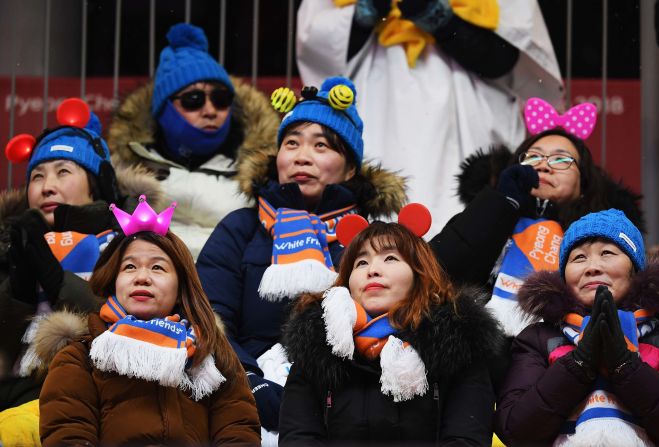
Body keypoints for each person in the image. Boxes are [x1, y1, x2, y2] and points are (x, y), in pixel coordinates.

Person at [196, 76, 407, 438]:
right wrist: (249, 383)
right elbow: (207, 313)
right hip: (244, 392)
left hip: (345, 394)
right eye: (291, 143)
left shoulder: (371, 241)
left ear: (351, 167)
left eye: (321, 145)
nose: (301, 156)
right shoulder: (242, 227)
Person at [296, 0, 564, 236]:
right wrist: (369, 12)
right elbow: (317, 47)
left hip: (472, 110)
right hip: (377, 97)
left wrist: (442, 22)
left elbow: (507, 56)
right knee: (375, 225)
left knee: (474, 221)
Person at [37, 196, 261, 445]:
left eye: (157, 268)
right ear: (113, 281)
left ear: (181, 288)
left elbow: (238, 429)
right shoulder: (80, 357)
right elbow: (68, 434)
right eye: (130, 267)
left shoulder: (209, 354)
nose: (142, 277)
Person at [279, 213, 503, 444]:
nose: (372, 270)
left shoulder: (458, 345)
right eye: (361, 262)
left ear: (419, 274)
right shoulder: (317, 348)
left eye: (390, 259)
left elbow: (465, 438)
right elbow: (299, 437)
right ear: (347, 282)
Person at [429, 98, 644, 337]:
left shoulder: (607, 234)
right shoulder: (488, 212)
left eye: (561, 159)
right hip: (476, 345)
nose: (544, 166)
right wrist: (502, 202)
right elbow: (436, 271)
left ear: (583, 183)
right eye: (533, 158)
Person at [0, 100, 158, 413]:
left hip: (98, 397)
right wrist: (17, 291)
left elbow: (137, 329)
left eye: (62, 172)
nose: (48, 187)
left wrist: (57, 280)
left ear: (95, 185)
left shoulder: (133, 243)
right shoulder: (7, 243)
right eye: (38, 176)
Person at [496, 209, 659, 446]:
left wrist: (625, 366)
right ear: (564, 275)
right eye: (579, 257)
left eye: (607, 253)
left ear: (635, 269)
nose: (592, 267)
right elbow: (515, 432)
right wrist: (579, 364)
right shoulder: (538, 338)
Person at [107, 22, 279, 258]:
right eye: (194, 99)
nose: (210, 110)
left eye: (220, 98)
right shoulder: (120, 175)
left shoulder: (263, 177)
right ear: (164, 109)